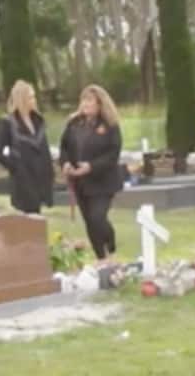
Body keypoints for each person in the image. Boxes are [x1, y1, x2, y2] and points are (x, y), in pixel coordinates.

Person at [59, 85, 122, 266]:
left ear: (100, 104)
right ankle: (101, 258)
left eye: (89, 100)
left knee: (97, 217)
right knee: (89, 221)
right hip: (80, 182)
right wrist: (66, 163)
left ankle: (110, 245)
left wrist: (91, 167)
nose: (85, 104)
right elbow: (64, 147)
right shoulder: (74, 123)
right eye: (83, 100)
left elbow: (113, 154)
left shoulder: (110, 125)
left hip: (103, 181)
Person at [0, 80, 55, 214]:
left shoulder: (38, 120)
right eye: (31, 97)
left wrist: (50, 169)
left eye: (34, 97)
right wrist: (15, 165)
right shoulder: (9, 122)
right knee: (28, 216)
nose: (34, 100)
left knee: (37, 215)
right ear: (22, 99)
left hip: (41, 176)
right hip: (23, 178)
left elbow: (43, 148)